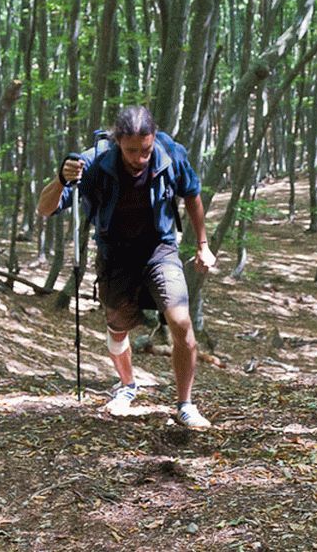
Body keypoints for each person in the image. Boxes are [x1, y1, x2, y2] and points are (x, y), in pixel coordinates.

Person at [37, 105, 216, 428]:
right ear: (117, 140)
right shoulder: (92, 164)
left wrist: (203, 245)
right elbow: (45, 208)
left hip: (160, 250)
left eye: (145, 149)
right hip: (115, 255)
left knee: (181, 322)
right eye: (132, 150)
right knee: (118, 327)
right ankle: (127, 385)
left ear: (153, 139)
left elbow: (192, 195)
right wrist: (61, 179)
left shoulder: (170, 154)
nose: (140, 158)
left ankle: (185, 404)